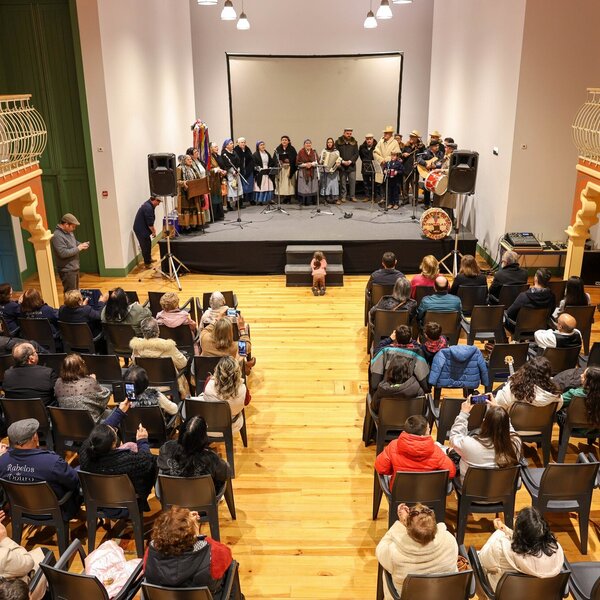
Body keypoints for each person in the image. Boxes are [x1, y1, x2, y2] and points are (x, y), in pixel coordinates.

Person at [79, 402, 158, 514]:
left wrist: (119, 412)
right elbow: (146, 460)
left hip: (97, 498)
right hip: (128, 503)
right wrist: (142, 440)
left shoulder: (85, 452)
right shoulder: (126, 460)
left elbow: (101, 432)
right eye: (115, 432)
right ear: (113, 444)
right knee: (154, 461)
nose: (115, 430)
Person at [0, 418, 81, 519]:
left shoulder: (2, 461)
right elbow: (73, 481)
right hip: (56, 512)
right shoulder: (52, 461)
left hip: (20, 511)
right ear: (35, 437)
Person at [144, 506, 234, 595]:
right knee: (232, 568)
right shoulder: (212, 553)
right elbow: (227, 555)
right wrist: (200, 537)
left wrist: (179, 521)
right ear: (192, 536)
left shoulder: (150, 553)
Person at [376, 503, 458, 600]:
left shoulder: (395, 553)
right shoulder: (450, 541)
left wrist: (400, 524)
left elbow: (381, 548)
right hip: (443, 595)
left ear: (408, 530)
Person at [477, 506, 564, 592]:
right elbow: (530, 541)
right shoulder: (556, 549)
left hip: (509, 593)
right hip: (541, 594)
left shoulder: (501, 548)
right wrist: (506, 531)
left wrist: (499, 533)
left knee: (477, 560)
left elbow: (483, 560)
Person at [449, 400, 521, 484]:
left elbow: (454, 436)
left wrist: (463, 414)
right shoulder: (516, 442)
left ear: (484, 423)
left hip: (471, 489)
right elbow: (509, 429)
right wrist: (499, 411)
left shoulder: (469, 444)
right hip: (504, 489)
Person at [375, 415, 456, 485]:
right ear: (423, 435)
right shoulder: (436, 451)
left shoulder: (393, 446)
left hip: (399, 492)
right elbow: (451, 472)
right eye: (428, 429)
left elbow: (381, 468)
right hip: (427, 493)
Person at [158, 416, 231, 491]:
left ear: (181, 433)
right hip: (203, 495)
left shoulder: (166, 448)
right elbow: (225, 473)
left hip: (172, 493)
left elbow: (161, 467)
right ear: (203, 437)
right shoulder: (211, 458)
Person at [129, 317, 190, 399]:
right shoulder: (168, 346)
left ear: (142, 331)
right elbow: (183, 364)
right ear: (158, 330)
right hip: (168, 384)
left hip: (145, 384)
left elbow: (134, 362)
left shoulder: (137, 346)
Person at [54, 353, 112, 422]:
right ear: (80, 367)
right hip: (91, 424)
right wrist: (94, 380)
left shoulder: (58, 383)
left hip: (68, 424)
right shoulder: (90, 382)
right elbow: (105, 396)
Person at [494, 356, 562, 411]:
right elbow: (557, 408)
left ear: (526, 372)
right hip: (543, 424)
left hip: (513, 424)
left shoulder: (513, 389)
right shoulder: (555, 394)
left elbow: (498, 407)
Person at [200, 356, 247, 435]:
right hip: (232, 426)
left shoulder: (209, 382)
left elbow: (205, 395)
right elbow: (246, 402)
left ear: (217, 370)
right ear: (237, 372)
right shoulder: (243, 388)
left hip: (208, 426)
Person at [505, 268, 556, 332]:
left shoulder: (524, 296)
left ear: (536, 279)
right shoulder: (552, 297)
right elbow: (551, 312)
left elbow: (510, 313)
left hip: (520, 330)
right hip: (540, 329)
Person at [50, 213, 89, 293]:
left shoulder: (69, 232)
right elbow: (63, 253)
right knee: (70, 293)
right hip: (67, 270)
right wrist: (78, 248)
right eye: (73, 226)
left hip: (74, 267)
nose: (74, 229)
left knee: (75, 292)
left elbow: (73, 242)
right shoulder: (57, 236)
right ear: (66, 224)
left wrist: (81, 244)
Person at [560, 367, 600, 432]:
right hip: (595, 428)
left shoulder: (574, 393)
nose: (581, 375)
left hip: (574, 427)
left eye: (584, 376)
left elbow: (559, 402)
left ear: (589, 381)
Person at [177, 154, 203, 234]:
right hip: (184, 193)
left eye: (191, 159)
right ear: (184, 161)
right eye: (188, 159)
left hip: (193, 192)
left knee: (193, 209)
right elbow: (177, 181)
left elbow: (197, 178)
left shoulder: (192, 168)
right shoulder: (179, 169)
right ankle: (186, 227)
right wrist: (184, 183)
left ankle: (193, 225)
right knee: (186, 210)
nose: (190, 160)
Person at [133, 196, 162, 267]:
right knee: (145, 246)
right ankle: (147, 263)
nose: (158, 204)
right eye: (158, 202)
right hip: (141, 229)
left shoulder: (149, 205)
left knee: (148, 244)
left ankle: (149, 259)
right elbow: (150, 223)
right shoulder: (148, 207)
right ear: (155, 200)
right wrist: (154, 232)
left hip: (143, 228)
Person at [335, 127, 359, 203]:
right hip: (342, 166)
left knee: (352, 182)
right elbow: (336, 153)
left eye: (350, 134)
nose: (349, 135)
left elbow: (356, 154)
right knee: (343, 182)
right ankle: (343, 196)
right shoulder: (338, 142)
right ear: (344, 133)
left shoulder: (354, 142)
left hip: (351, 166)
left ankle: (352, 196)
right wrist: (342, 161)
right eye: (347, 133)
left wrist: (350, 161)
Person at [418, 140, 444, 209]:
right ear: (431, 147)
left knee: (437, 187)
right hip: (427, 172)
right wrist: (426, 164)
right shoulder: (426, 152)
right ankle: (426, 204)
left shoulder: (440, 153)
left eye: (438, 145)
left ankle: (435, 204)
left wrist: (436, 166)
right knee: (426, 188)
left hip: (437, 173)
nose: (437, 147)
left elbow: (442, 162)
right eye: (436, 146)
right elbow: (419, 159)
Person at [401, 130, 425, 204]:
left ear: (417, 138)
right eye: (410, 136)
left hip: (415, 168)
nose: (410, 138)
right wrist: (403, 154)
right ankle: (405, 199)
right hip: (406, 167)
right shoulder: (406, 145)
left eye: (412, 137)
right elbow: (401, 155)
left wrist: (418, 162)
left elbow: (423, 156)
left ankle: (415, 200)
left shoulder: (421, 147)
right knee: (405, 184)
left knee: (414, 185)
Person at [274, 135, 297, 204]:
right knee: (282, 184)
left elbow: (295, 158)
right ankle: (283, 198)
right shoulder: (278, 149)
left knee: (288, 184)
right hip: (281, 169)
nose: (284, 141)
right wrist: (279, 161)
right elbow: (274, 158)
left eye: (285, 140)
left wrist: (289, 160)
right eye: (283, 140)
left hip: (289, 168)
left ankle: (288, 198)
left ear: (288, 141)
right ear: (281, 141)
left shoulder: (292, 149)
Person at [220, 139, 242, 212]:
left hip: (236, 172)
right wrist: (233, 171)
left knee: (236, 187)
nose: (232, 145)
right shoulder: (224, 154)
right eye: (230, 143)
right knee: (231, 188)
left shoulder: (234, 152)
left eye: (232, 143)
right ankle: (229, 205)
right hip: (230, 173)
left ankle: (236, 204)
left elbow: (238, 161)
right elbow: (226, 164)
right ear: (226, 145)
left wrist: (238, 169)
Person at [252, 141, 277, 205]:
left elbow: (271, 161)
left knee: (269, 185)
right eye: (261, 145)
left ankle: (269, 199)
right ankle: (260, 200)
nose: (263, 146)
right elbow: (254, 164)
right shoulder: (255, 155)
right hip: (260, 172)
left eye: (263, 145)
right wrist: (259, 169)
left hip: (267, 171)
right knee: (262, 185)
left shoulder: (267, 153)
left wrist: (271, 166)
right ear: (258, 147)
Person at [296, 139, 319, 207]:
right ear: (304, 145)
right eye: (306, 143)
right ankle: (303, 202)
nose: (308, 144)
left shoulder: (314, 152)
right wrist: (305, 165)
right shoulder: (301, 152)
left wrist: (311, 164)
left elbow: (317, 162)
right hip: (303, 172)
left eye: (309, 143)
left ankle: (311, 201)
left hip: (312, 172)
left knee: (312, 187)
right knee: (304, 188)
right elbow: (297, 163)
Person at [208, 142, 226, 221]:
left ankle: (219, 214)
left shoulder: (218, 156)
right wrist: (216, 169)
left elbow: (221, 166)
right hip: (212, 180)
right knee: (214, 197)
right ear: (210, 148)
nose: (217, 148)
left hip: (218, 178)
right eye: (215, 147)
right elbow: (208, 169)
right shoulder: (209, 157)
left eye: (217, 147)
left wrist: (222, 171)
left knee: (219, 197)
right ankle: (214, 216)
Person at [319, 138, 341, 204]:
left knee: (334, 185)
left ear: (333, 143)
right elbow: (321, 160)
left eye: (331, 142)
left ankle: (335, 199)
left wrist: (338, 163)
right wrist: (322, 161)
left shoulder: (336, 151)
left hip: (333, 171)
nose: (329, 143)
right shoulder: (324, 151)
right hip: (325, 171)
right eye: (328, 142)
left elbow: (338, 160)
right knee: (325, 185)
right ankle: (325, 198)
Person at [234, 137, 254, 207]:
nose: (243, 144)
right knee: (240, 187)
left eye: (244, 142)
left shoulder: (247, 149)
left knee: (250, 185)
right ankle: (239, 203)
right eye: (241, 142)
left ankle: (251, 200)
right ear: (238, 143)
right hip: (240, 170)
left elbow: (251, 159)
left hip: (248, 169)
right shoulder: (235, 150)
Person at [359, 133, 378, 201]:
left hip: (374, 167)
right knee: (366, 182)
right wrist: (365, 162)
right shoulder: (362, 147)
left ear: (373, 139)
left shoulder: (376, 147)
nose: (369, 140)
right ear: (365, 140)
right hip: (365, 167)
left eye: (370, 139)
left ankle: (374, 197)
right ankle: (367, 196)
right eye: (367, 139)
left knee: (374, 183)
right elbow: (361, 156)